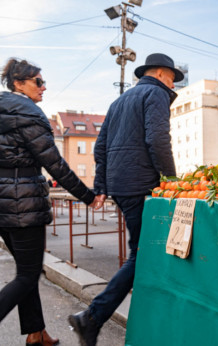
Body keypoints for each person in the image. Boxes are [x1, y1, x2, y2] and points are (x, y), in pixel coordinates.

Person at [68, 53, 183, 345]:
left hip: (122, 186)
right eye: (172, 77)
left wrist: (102, 185)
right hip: (142, 184)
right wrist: (171, 181)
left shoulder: (119, 101)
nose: (173, 84)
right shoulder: (156, 93)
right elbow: (157, 139)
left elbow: (101, 147)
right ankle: (91, 318)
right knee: (143, 254)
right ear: (160, 73)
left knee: (142, 252)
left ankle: (104, 318)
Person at [0, 58, 105, 345]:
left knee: (27, 271)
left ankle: (37, 335)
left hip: (4, 203)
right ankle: (36, 333)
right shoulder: (28, 113)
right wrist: (88, 196)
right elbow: (55, 164)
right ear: (19, 83)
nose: (44, 87)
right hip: (24, 207)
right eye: (38, 81)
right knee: (28, 274)